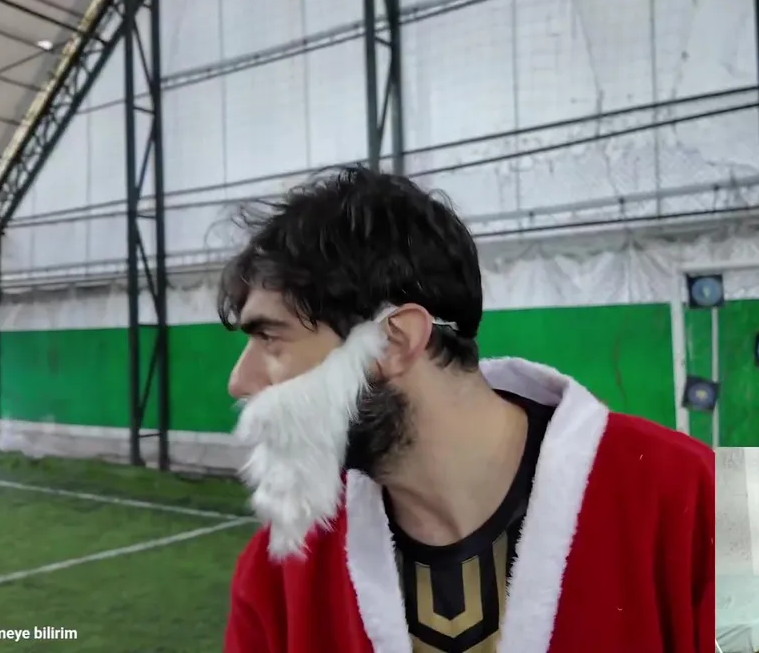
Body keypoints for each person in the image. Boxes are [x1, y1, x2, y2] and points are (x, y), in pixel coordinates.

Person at [218, 166, 714, 652]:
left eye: (271, 338)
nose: (239, 382)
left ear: (394, 342)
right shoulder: (281, 570)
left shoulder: (697, 495)